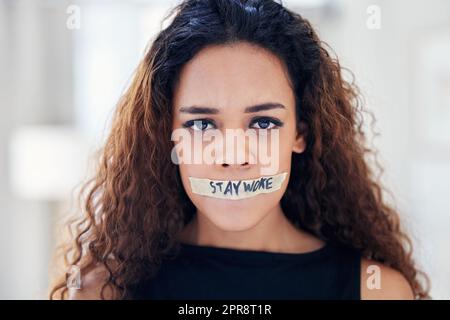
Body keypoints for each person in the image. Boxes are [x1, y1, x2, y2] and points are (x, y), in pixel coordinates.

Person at [49, 0, 429, 300]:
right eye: (202, 124)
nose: (232, 155)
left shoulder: (376, 291)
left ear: (301, 133)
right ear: (168, 135)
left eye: (263, 123)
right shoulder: (104, 290)